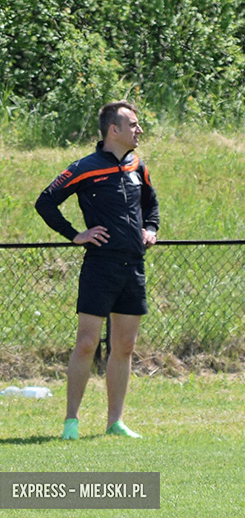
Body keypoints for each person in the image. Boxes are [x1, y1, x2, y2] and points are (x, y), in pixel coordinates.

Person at [35, 101, 159, 440]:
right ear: (113, 130)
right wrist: (76, 235)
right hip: (100, 267)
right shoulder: (85, 167)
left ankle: (114, 422)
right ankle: (71, 422)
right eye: (133, 124)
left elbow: (151, 205)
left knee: (124, 346)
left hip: (133, 267)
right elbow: (45, 202)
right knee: (87, 343)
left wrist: (151, 230)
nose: (140, 130)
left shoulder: (137, 166)